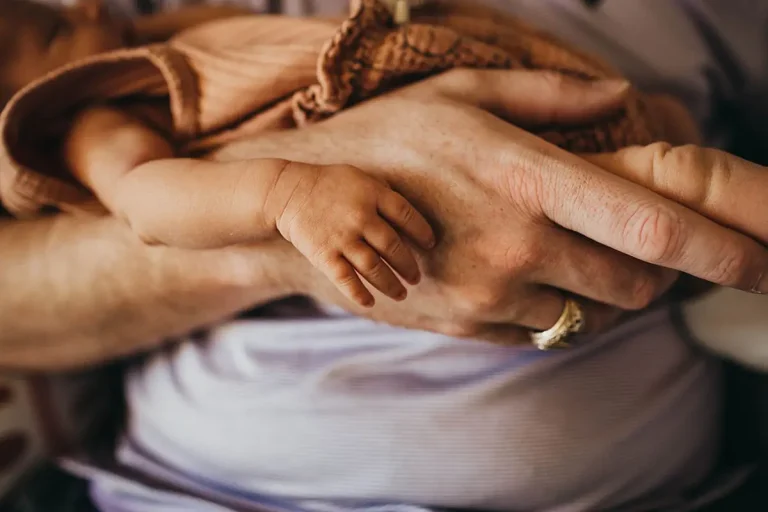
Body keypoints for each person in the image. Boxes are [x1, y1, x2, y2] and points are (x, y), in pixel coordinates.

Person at [2, 0, 768, 510]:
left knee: (685, 176)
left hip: (632, 438)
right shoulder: (96, 111)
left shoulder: (171, 28)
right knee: (683, 181)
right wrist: (282, 202)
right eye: (44, 41)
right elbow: (146, 203)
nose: (86, 10)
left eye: (53, 25)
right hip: (232, 490)